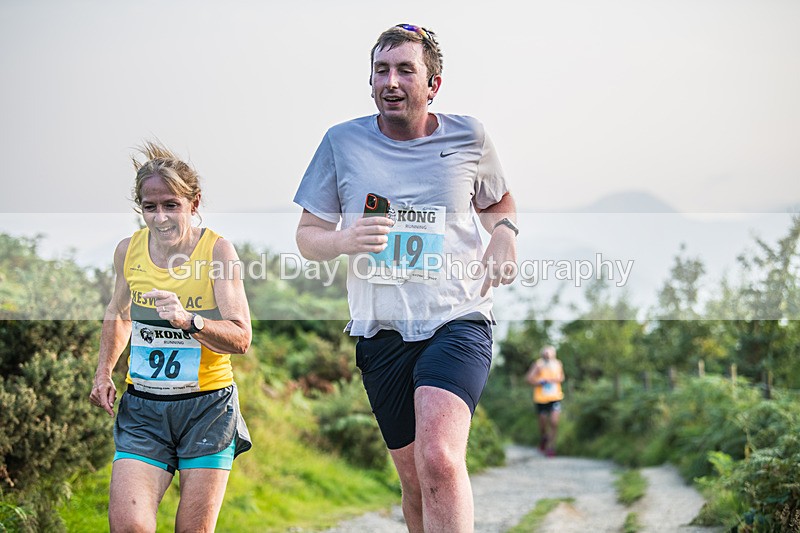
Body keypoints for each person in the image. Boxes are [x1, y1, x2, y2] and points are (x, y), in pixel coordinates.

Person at [293, 24, 518, 532]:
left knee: (439, 458)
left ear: (433, 83)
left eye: (405, 70)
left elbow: (499, 202)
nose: (391, 81)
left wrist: (504, 233)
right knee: (416, 480)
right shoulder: (341, 142)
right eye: (381, 70)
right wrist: (344, 241)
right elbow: (308, 236)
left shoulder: (469, 136)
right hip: (381, 331)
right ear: (370, 80)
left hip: (457, 319)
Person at [89, 141, 252, 532]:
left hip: (207, 409)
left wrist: (188, 320)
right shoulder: (128, 251)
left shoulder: (218, 251)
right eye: (150, 207)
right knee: (130, 526)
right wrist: (103, 372)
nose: (160, 217)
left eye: (171, 205)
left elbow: (241, 337)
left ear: (193, 203)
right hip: (143, 408)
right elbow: (119, 312)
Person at [525, 345, 565, 457]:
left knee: (554, 422)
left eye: (549, 354)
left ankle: (551, 447)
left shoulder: (558, 364)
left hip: (555, 397)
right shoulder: (538, 364)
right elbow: (528, 378)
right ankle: (544, 437)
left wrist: (554, 380)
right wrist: (539, 382)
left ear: (553, 355)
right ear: (542, 355)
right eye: (545, 354)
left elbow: (562, 377)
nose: (547, 356)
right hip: (541, 398)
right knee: (543, 423)